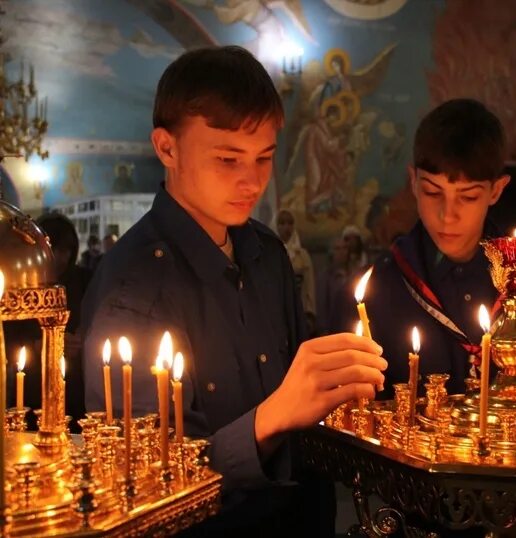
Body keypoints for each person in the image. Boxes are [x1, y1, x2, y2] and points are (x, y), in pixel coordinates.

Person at [80, 46, 386, 536]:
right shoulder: (135, 289)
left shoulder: (266, 252)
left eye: (264, 157)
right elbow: (140, 482)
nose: (252, 181)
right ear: (167, 148)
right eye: (227, 158)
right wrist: (272, 418)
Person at [335, 98, 516, 398]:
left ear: (496, 190)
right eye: (432, 191)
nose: (447, 214)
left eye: (467, 197)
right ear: (413, 182)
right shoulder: (376, 289)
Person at [4, 212, 91, 430]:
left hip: (75, 383)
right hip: (32, 381)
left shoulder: (82, 279)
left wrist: (81, 338)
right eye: (55, 249)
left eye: (67, 251)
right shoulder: (22, 281)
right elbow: (9, 335)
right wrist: (43, 346)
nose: (61, 257)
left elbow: (93, 316)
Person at [273, 209, 316, 334]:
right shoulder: (269, 254)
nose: (287, 227)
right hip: (276, 310)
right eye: (282, 223)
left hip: (299, 309)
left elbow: (309, 285)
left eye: (290, 223)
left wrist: (310, 312)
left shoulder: (302, 255)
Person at [316, 236, 351, 335]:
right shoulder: (325, 277)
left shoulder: (353, 274)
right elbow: (322, 306)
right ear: (331, 252)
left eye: (344, 248)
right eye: (338, 248)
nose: (342, 252)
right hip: (333, 330)